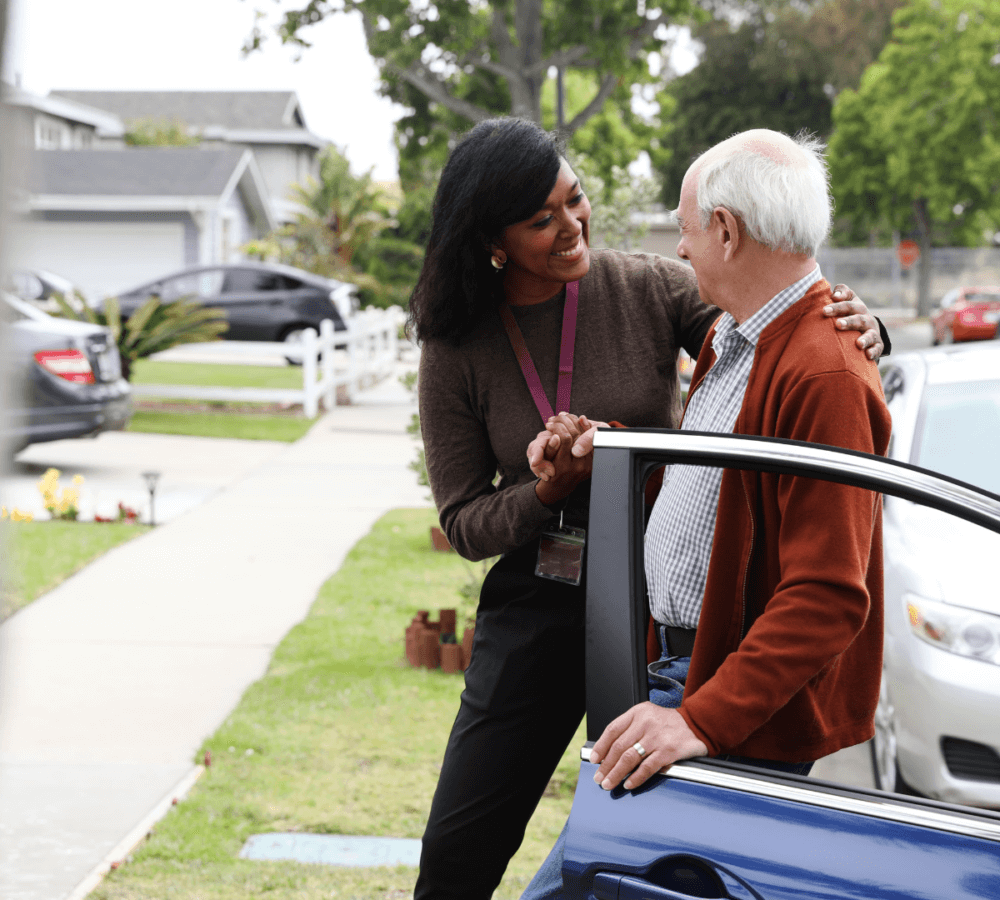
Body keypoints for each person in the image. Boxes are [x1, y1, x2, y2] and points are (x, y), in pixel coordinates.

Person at [410, 117, 885, 900]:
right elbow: (464, 522)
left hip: (657, 619)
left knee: (629, 859)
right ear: (493, 242)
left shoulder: (647, 287)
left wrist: (865, 327)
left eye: (576, 200)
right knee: (461, 847)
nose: (572, 226)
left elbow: (770, 340)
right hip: (543, 600)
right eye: (541, 220)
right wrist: (551, 490)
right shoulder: (456, 345)